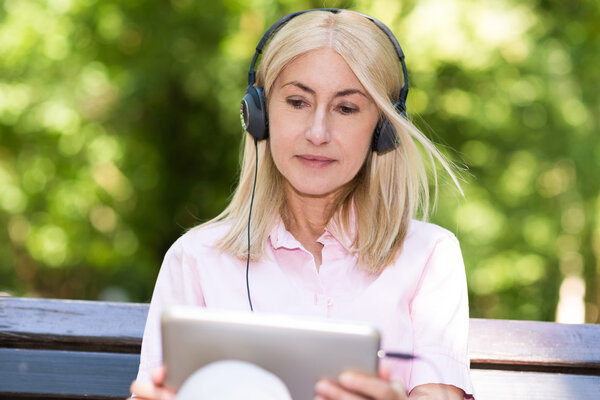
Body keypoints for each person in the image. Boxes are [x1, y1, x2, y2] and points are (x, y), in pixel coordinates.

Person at [130, 8, 474, 400]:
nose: (317, 132)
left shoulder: (430, 256)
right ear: (258, 115)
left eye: (346, 108)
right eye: (297, 102)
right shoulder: (195, 258)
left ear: (383, 129)